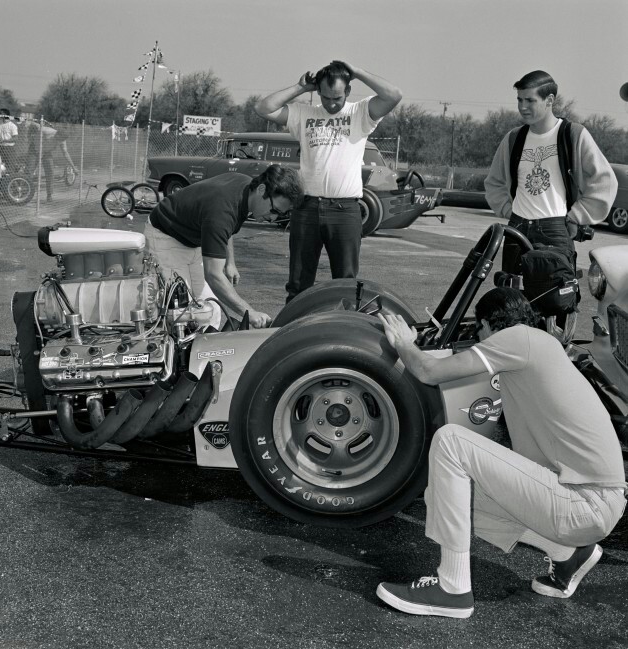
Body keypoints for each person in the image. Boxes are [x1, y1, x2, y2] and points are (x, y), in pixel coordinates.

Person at [376, 287, 626, 619]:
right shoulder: (537, 346)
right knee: (446, 495)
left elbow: (429, 373)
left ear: (488, 325)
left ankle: (452, 589)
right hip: (587, 503)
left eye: (479, 332)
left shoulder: (518, 339)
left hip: (586, 503)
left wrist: (404, 343)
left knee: (451, 441)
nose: (480, 340)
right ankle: (568, 553)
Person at [255, 60, 402, 303]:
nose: (332, 104)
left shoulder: (360, 113)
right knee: (298, 283)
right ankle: (293, 332)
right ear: (318, 92)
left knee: (345, 282)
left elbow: (394, 94)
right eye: (325, 98)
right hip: (307, 208)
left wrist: (358, 71)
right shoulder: (304, 114)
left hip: (345, 211)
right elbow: (263, 108)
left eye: (337, 98)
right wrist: (300, 88)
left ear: (348, 91)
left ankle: (343, 332)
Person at [484, 70, 617, 275]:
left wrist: (576, 216)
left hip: (555, 230)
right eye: (519, 100)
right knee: (512, 300)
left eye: (530, 100)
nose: (522, 107)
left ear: (550, 100)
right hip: (517, 227)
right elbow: (494, 182)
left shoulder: (573, 134)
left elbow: (605, 182)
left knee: (555, 301)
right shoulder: (513, 139)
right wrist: (508, 211)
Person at [144, 166, 304, 329]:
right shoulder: (222, 210)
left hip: (193, 239)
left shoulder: (244, 188)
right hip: (165, 236)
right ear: (262, 189)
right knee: (180, 315)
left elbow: (228, 228)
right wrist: (250, 312)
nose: (273, 218)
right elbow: (213, 275)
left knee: (211, 312)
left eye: (280, 214)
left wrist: (230, 262)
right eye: (274, 210)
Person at [26, 121, 78, 202]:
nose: (60, 141)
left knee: (50, 172)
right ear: (57, 134)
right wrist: (29, 136)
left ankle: (49, 195)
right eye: (59, 139)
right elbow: (33, 124)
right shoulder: (45, 131)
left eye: (62, 140)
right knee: (29, 171)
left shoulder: (62, 140)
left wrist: (73, 168)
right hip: (35, 150)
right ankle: (26, 193)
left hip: (46, 152)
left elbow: (65, 153)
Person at [0, 108, 18, 174]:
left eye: (1, 113)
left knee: (10, 167)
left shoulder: (12, 125)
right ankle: (0, 181)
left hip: (9, 148)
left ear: (5, 115)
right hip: (1, 148)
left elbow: (15, 138)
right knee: (0, 167)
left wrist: (5, 140)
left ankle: (10, 181)